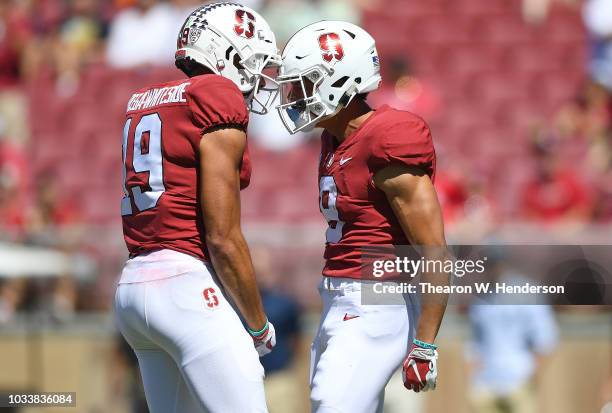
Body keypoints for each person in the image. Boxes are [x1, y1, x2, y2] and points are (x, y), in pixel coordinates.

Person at [114, 3, 281, 413]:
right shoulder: (216, 94)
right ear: (223, 52)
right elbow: (223, 237)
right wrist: (258, 324)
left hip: (133, 285)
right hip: (183, 286)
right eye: (252, 61)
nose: (256, 76)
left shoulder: (146, 99)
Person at [275, 21, 449, 412]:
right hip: (338, 298)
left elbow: (435, 250)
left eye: (304, 83)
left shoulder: (389, 135)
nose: (294, 94)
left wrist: (424, 345)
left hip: (374, 299)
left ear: (339, 80)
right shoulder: (333, 138)